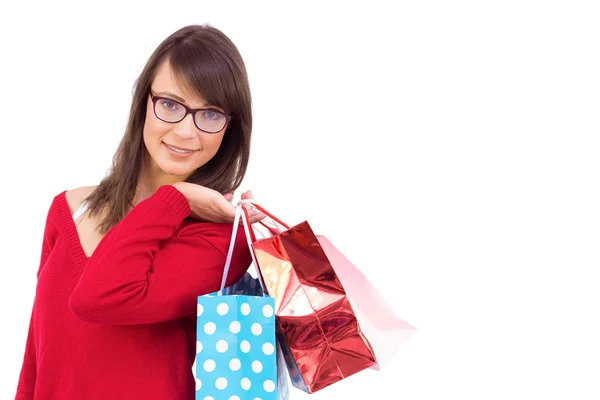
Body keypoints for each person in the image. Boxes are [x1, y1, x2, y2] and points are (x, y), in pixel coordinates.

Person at [15, 24, 266, 400]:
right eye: (169, 104)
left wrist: (175, 199)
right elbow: (37, 357)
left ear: (230, 128)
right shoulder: (68, 209)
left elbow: (98, 299)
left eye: (210, 114)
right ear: (144, 103)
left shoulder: (221, 240)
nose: (185, 131)